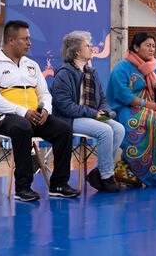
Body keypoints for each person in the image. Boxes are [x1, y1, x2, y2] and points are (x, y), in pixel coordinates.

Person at [0, 20, 79, 201]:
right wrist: (23, 112)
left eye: (29, 39)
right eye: (25, 39)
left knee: (64, 130)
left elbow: (44, 93)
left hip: (31, 117)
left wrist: (45, 110)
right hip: (1, 117)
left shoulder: (32, 65)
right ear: (11, 40)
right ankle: (23, 188)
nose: (29, 43)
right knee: (22, 127)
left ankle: (59, 184)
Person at [106, 32, 156, 186]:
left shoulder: (155, 68)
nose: (152, 49)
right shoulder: (122, 68)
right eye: (148, 45)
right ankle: (153, 174)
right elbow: (122, 94)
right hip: (125, 109)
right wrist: (148, 105)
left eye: (153, 46)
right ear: (136, 47)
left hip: (154, 107)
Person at [51, 31, 126, 192]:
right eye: (87, 45)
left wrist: (104, 112)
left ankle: (98, 172)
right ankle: (106, 176)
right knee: (105, 130)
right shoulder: (64, 73)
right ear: (77, 51)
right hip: (68, 118)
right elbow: (64, 106)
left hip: (89, 116)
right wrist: (94, 114)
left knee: (118, 128)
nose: (91, 48)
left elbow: (103, 99)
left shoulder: (91, 72)